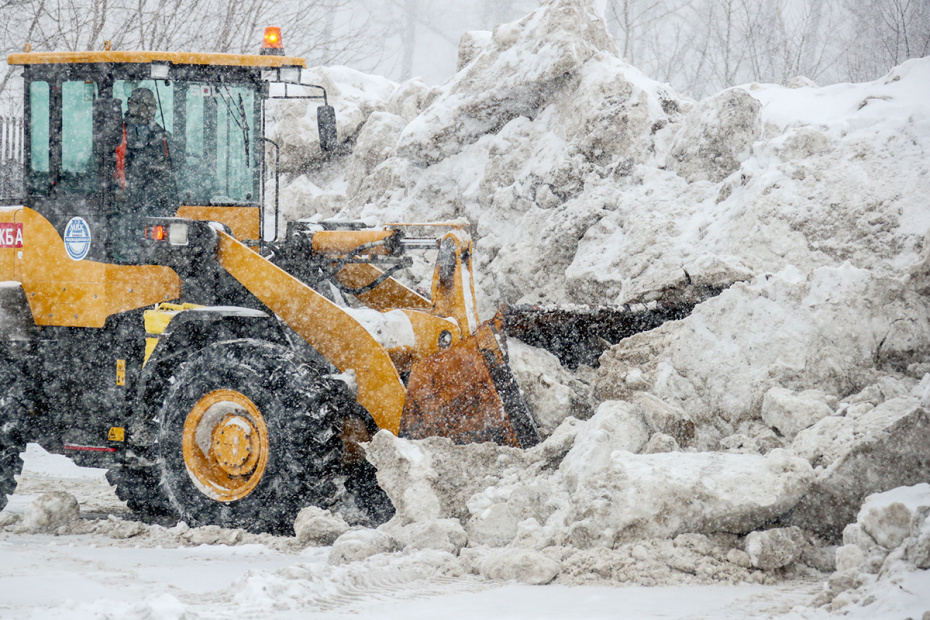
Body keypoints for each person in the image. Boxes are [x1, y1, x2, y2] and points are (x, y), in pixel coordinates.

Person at [110, 87, 177, 261]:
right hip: (123, 202)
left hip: (153, 200)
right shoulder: (116, 133)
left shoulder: (161, 136)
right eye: (144, 105)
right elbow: (103, 165)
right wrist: (115, 189)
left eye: (152, 105)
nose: (150, 110)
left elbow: (171, 168)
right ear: (131, 105)